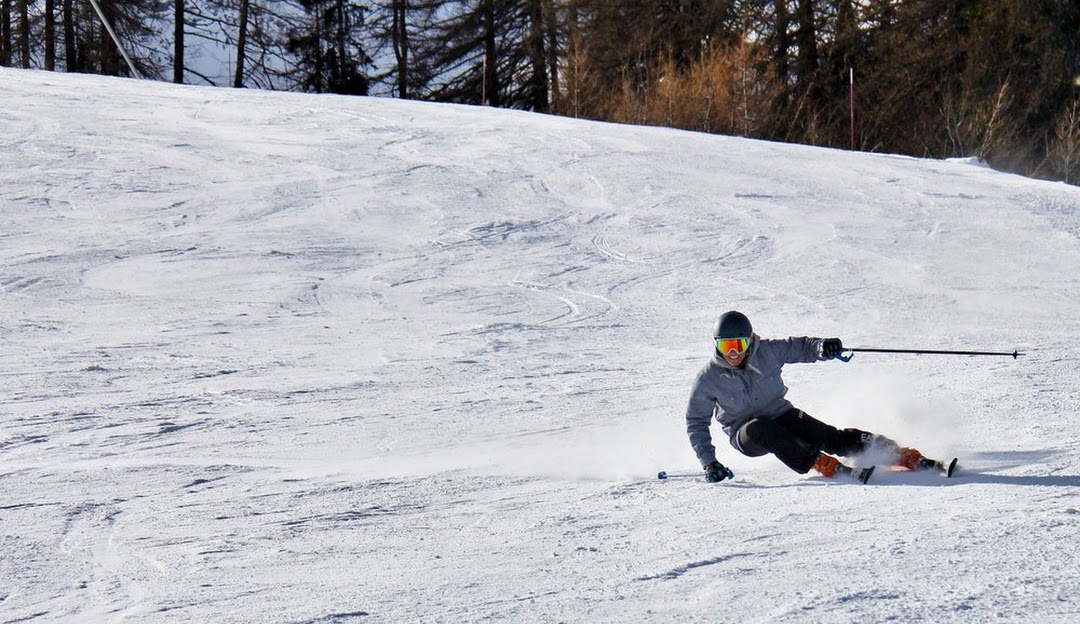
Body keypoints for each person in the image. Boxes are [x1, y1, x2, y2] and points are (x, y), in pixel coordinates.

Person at [685, 310, 936, 483]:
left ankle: (897, 453)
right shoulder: (708, 378)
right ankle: (818, 462)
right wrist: (710, 463)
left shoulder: (768, 352)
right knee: (760, 428)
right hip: (747, 435)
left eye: (737, 345)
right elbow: (696, 422)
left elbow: (801, 347)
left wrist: (822, 347)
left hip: (779, 413)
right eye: (725, 347)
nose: (732, 354)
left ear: (750, 340)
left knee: (829, 436)